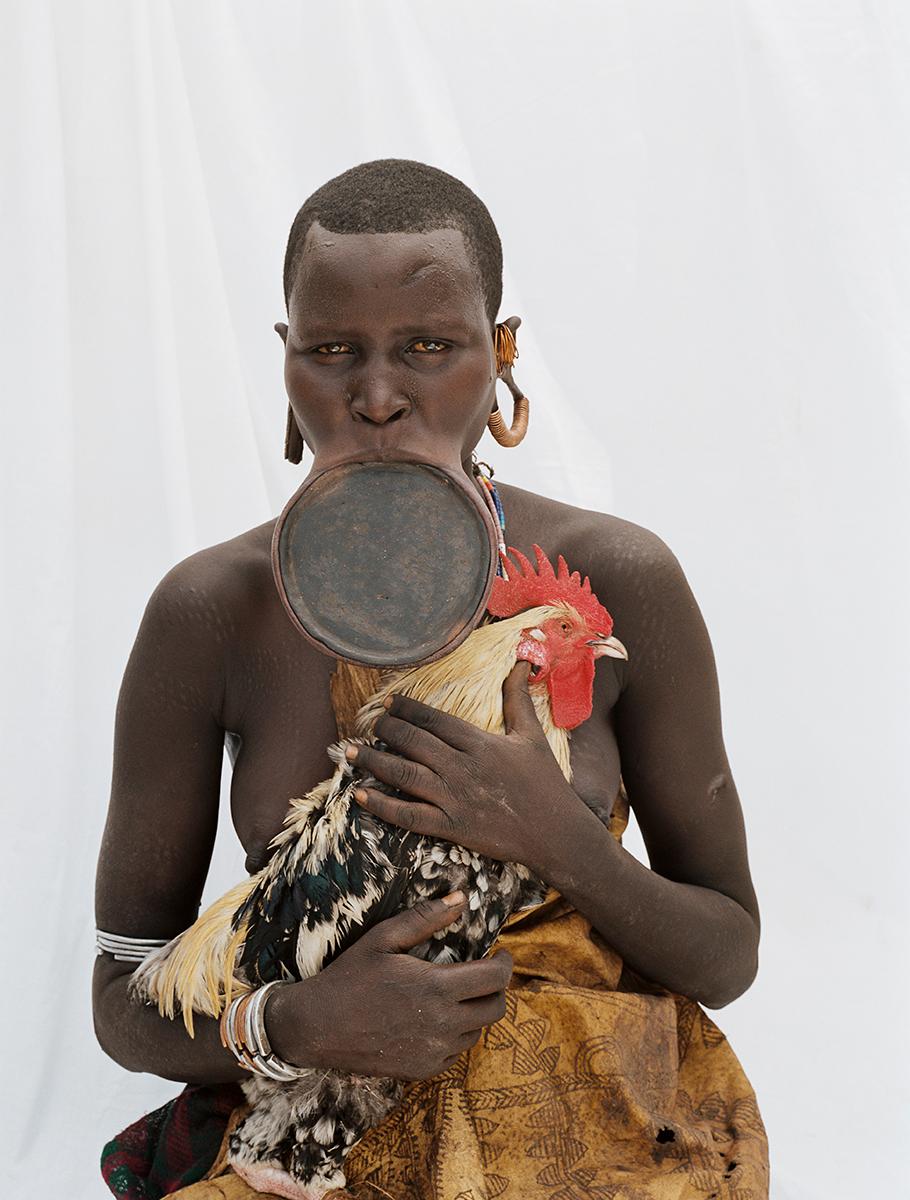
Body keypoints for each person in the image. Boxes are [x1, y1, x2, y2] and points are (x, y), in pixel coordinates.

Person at [94, 158, 769, 1198]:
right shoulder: (209, 612)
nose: (374, 396)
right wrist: (298, 1023)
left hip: (605, 1146)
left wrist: (552, 837)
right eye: (331, 352)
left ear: (498, 354)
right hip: (319, 1143)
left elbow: (726, 954)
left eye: (428, 347)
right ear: (286, 361)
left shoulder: (620, 576)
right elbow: (118, 992)